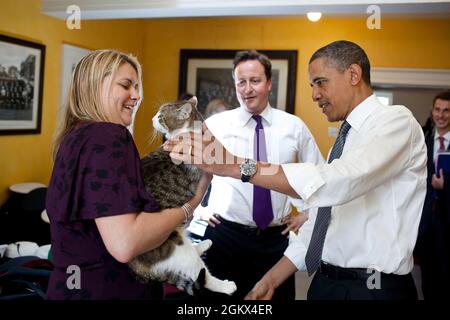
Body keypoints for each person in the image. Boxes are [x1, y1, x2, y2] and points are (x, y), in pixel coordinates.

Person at [164, 41, 427, 300]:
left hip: (372, 288)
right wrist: (272, 279)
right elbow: (325, 220)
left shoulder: (396, 122)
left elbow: (335, 183)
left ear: (353, 75)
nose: (314, 95)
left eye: (320, 82)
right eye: (312, 86)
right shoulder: (346, 138)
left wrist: (236, 165)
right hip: (323, 282)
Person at [45, 49, 211, 300]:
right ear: (93, 87)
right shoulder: (109, 136)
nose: (136, 96)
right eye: (125, 85)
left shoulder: (73, 138)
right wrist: (191, 204)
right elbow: (125, 244)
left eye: (136, 87)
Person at [191, 50, 324, 300]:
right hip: (225, 236)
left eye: (255, 81)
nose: (247, 89)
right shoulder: (216, 125)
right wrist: (198, 209)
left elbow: (319, 176)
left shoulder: (294, 127)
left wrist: (308, 212)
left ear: (269, 83)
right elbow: (190, 173)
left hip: (274, 241)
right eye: (241, 82)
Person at [415, 90, 450, 299]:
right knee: (428, 279)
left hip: (448, 221)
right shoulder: (422, 142)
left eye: (447, 111)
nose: (441, 115)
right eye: (437, 109)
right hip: (426, 222)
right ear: (432, 111)